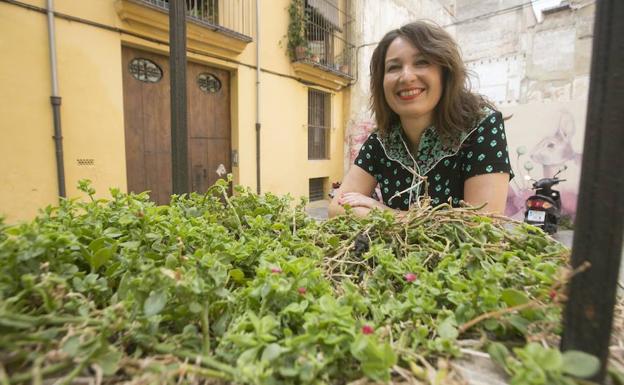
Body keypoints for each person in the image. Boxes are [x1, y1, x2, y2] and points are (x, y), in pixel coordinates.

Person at [328, 21, 514, 218]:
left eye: (422, 62)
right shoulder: (382, 140)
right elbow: (337, 208)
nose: (406, 77)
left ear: (445, 72)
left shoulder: (481, 127)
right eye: (393, 67)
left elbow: (481, 226)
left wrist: (383, 212)